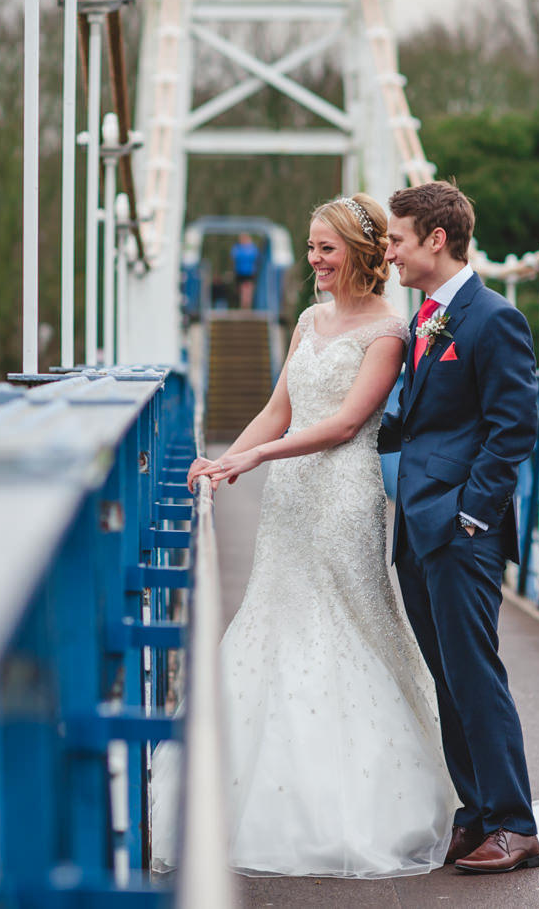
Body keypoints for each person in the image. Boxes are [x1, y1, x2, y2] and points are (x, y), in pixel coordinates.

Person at [153, 193, 458, 877]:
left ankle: (363, 802)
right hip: (289, 492)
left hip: (342, 492)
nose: (314, 260)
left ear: (358, 250)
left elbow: (350, 422)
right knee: (277, 615)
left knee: (345, 620)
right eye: (311, 246)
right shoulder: (309, 319)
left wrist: (261, 456)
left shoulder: (391, 329)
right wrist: (228, 452)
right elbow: (279, 407)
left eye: (326, 248)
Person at [379, 180, 539, 873]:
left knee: (476, 673)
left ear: (435, 239)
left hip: (458, 528)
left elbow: (513, 429)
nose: (387, 251)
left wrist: (471, 515)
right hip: (415, 528)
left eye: (395, 238)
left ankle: (514, 823)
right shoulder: (423, 318)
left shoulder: (492, 317)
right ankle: (475, 812)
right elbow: (414, 420)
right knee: (445, 676)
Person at [230, 233, 259, 310]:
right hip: (240, 272)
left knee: (247, 289)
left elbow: (256, 259)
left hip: (249, 272)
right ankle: (244, 305)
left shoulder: (252, 248)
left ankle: (246, 305)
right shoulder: (238, 248)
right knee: (242, 290)